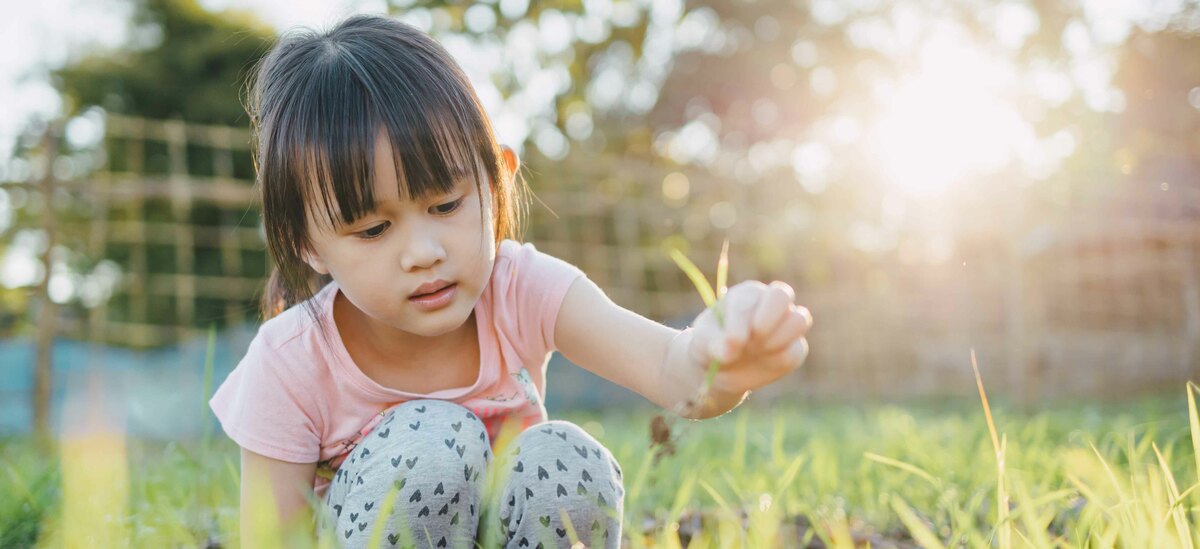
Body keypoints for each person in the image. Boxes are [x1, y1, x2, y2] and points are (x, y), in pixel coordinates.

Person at [208, 13, 812, 549]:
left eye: (445, 205)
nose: (422, 252)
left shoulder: (521, 287)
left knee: (564, 457)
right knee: (432, 442)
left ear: (495, 181)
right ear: (304, 243)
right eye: (372, 230)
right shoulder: (291, 361)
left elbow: (669, 368)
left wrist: (718, 358)